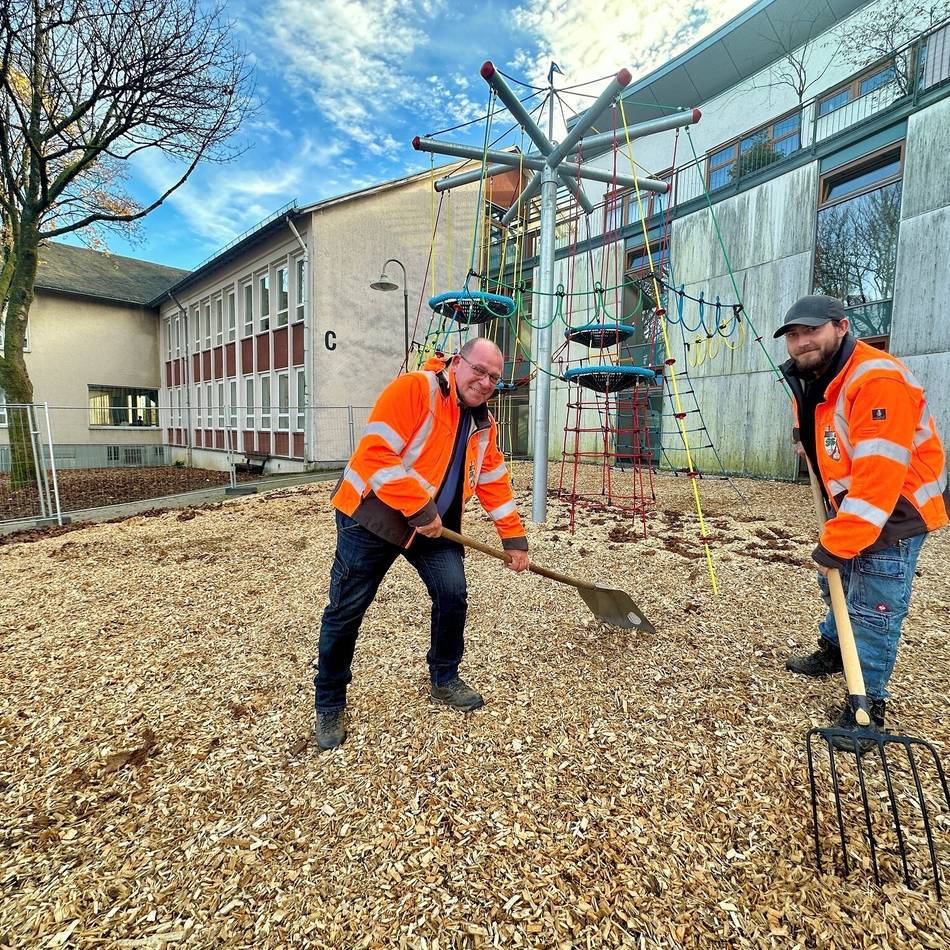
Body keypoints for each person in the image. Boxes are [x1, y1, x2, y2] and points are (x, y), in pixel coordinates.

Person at [314, 338, 530, 750]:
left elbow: (493, 482)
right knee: (346, 609)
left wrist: (513, 538)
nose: (484, 382)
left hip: (433, 526)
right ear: (457, 361)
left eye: (494, 378)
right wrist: (419, 507)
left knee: (453, 594)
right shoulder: (415, 388)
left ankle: (444, 678)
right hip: (371, 516)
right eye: (479, 370)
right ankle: (328, 702)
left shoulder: (483, 424)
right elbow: (377, 454)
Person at [777, 295, 948, 744]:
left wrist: (838, 541)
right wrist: (804, 439)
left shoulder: (877, 380)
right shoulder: (815, 375)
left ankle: (867, 703)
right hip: (853, 503)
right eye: (793, 335)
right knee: (836, 581)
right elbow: (824, 424)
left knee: (873, 604)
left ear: (841, 326)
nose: (800, 342)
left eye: (810, 331)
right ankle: (836, 650)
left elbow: (879, 480)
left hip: (895, 511)